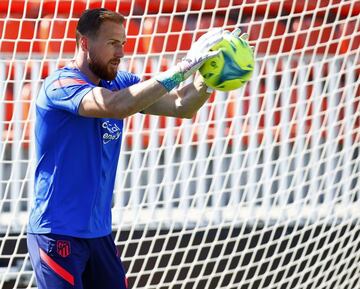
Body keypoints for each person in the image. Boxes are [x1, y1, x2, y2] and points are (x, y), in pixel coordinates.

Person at [26, 7, 251, 289]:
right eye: (112, 43)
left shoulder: (120, 82)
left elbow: (182, 105)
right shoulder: (60, 84)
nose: (120, 52)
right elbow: (116, 106)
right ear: (84, 43)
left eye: (123, 44)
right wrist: (182, 67)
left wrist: (209, 72)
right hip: (56, 233)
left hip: (99, 234)